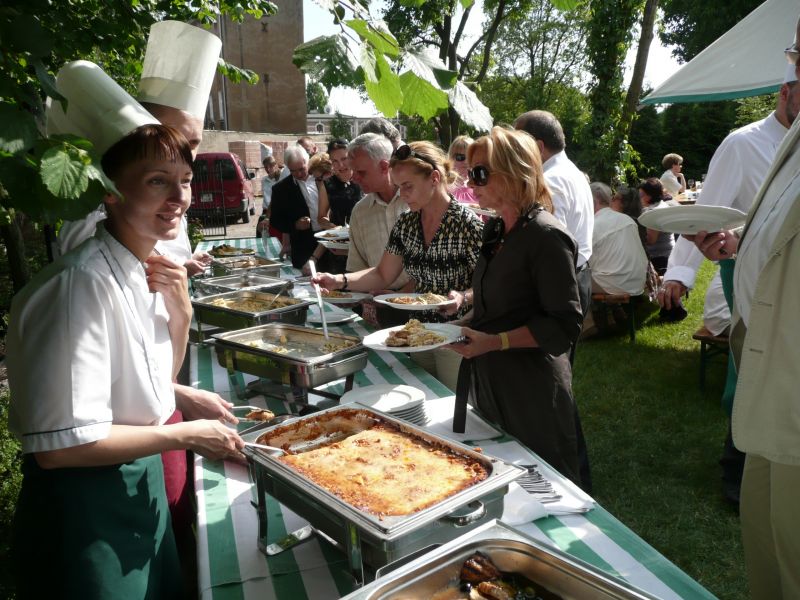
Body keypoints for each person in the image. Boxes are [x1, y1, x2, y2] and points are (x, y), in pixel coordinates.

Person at [7, 62, 244, 599]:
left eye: (183, 181)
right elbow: (61, 448)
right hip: (85, 506)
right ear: (110, 193)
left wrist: (180, 313)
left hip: (139, 485)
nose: (179, 198)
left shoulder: (144, 270)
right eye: (157, 182)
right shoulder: (80, 285)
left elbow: (158, 386)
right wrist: (184, 434)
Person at [688, 21, 800, 599]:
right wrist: (736, 244)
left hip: (793, 370)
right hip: (759, 342)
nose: (795, 67)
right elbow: (764, 225)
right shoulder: (780, 139)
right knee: (767, 540)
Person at [444, 126, 583, 484]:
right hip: (492, 377)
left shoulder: (546, 237)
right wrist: (462, 322)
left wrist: (494, 342)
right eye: (469, 171)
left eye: (479, 173)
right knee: (499, 472)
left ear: (514, 173)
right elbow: (499, 302)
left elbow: (564, 326)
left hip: (531, 387)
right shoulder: (496, 230)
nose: (470, 182)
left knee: (543, 480)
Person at [314, 142, 484, 391]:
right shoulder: (407, 222)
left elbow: (489, 286)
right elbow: (383, 273)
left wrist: (463, 297)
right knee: (425, 396)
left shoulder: (468, 224)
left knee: (454, 408)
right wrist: (339, 281)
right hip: (418, 331)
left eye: (408, 187)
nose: (402, 195)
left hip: (458, 334)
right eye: (399, 187)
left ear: (434, 178)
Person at [57, 21, 219, 278]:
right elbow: (93, 270)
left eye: (192, 145)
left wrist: (185, 264)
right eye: (171, 137)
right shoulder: (99, 201)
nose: (182, 155)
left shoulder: (175, 193)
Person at [514, 109, 593, 492]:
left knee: (554, 387)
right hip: (578, 277)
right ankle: (572, 472)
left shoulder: (554, 181)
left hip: (561, 287)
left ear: (538, 146)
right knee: (560, 384)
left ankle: (567, 475)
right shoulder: (572, 172)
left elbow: (544, 247)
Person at [346, 133, 410, 290]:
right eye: (352, 171)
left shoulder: (415, 202)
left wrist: (403, 295)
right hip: (379, 303)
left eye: (361, 172)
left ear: (384, 167)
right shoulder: (360, 212)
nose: (353, 178)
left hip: (425, 301)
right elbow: (358, 267)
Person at [270, 145, 327, 269]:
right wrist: (295, 225)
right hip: (303, 247)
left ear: (308, 161)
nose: (298, 174)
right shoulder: (281, 189)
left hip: (330, 240)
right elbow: (275, 220)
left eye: (301, 169)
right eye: (293, 171)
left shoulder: (324, 178)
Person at [589, 182, 648, 295]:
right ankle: (615, 311)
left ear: (593, 202)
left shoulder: (593, 224)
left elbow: (582, 258)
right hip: (637, 282)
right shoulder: (627, 219)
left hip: (616, 284)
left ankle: (585, 313)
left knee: (570, 280)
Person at [638, 177, 674, 275]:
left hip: (659, 257)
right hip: (668, 253)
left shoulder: (652, 213)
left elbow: (651, 240)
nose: (639, 198)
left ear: (649, 196)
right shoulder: (662, 204)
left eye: (641, 195)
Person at [325, 138, 363, 227]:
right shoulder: (327, 184)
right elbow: (321, 217)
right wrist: (333, 227)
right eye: (335, 161)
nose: (341, 165)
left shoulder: (364, 177)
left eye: (344, 159)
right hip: (340, 238)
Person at [448, 135, 477, 205]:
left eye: (470, 157)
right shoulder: (444, 186)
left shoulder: (482, 184)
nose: (466, 161)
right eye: (460, 157)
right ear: (451, 159)